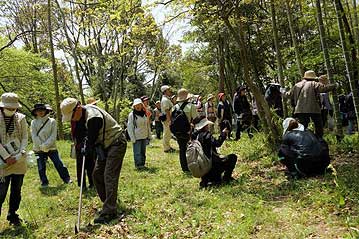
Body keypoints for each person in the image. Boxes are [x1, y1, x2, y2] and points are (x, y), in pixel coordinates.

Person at [61, 97, 127, 224]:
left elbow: (91, 137)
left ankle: (110, 212)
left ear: (78, 108)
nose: (72, 119)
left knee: (109, 175)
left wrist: (87, 146)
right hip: (105, 145)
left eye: (72, 116)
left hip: (116, 142)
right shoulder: (83, 115)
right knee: (97, 174)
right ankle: (108, 204)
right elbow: (85, 137)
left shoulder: (93, 117)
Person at [0, 93, 28, 226]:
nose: (11, 110)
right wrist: (6, 157)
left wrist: (22, 152)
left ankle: (13, 214)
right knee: (1, 191)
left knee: (16, 189)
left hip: (18, 160)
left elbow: (24, 137)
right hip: (2, 161)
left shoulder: (21, 118)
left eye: (13, 108)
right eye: (9, 108)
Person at [283, 70, 336, 138]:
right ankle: (318, 141)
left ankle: (302, 141)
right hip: (314, 109)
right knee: (318, 126)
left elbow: (288, 95)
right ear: (313, 77)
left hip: (300, 110)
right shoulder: (315, 83)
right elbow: (324, 89)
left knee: (302, 128)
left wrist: (283, 91)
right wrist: (334, 85)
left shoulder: (297, 85)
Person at [31, 103, 71, 187]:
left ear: (46, 110)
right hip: (38, 148)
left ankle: (66, 178)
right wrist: (41, 146)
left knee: (59, 163)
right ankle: (44, 182)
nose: (40, 112)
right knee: (41, 167)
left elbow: (53, 136)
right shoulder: (33, 122)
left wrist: (46, 145)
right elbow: (34, 136)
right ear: (35, 112)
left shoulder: (52, 121)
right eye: (38, 110)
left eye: (42, 110)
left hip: (51, 147)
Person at [192, 116, 237, 188]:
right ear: (205, 126)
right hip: (212, 166)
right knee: (233, 157)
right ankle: (226, 178)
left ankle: (209, 180)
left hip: (203, 168)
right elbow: (218, 143)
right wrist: (223, 133)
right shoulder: (206, 135)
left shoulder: (195, 136)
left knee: (216, 179)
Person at [70, 103, 96, 189]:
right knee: (80, 164)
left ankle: (93, 183)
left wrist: (87, 141)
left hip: (88, 141)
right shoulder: (72, 117)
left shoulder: (87, 113)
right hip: (78, 142)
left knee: (90, 163)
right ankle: (82, 185)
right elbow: (74, 131)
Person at [173, 88, 198, 172]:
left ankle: (184, 168)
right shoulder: (191, 106)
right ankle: (191, 165)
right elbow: (195, 119)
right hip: (188, 131)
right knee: (190, 148)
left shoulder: (174, 107)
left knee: (182, 149)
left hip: (178, 132)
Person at [127, 99, 151, 170]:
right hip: (136, 137)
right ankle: (138, 165)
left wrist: (149, 135)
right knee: (137, 152)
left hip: (144, 135)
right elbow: (130, 127)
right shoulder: (131, 115)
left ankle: (142, 164)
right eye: (136, 105)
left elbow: (147, 125)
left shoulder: (144, 114)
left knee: (143, 151)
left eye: (139, 105)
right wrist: (132, 138)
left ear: (141, 105)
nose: (138, 106)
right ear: (134, 106)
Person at [160, 85, 175, 153]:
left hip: (167, 118)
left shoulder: (167, 99)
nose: (170, 91)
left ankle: (168, 146)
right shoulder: (165, 100)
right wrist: (169, 120)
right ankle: (166, 148)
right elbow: (167, 111)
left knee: (168, 133)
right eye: (168, 90)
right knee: (167, 133)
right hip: (167, 119)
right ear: (165, 91)